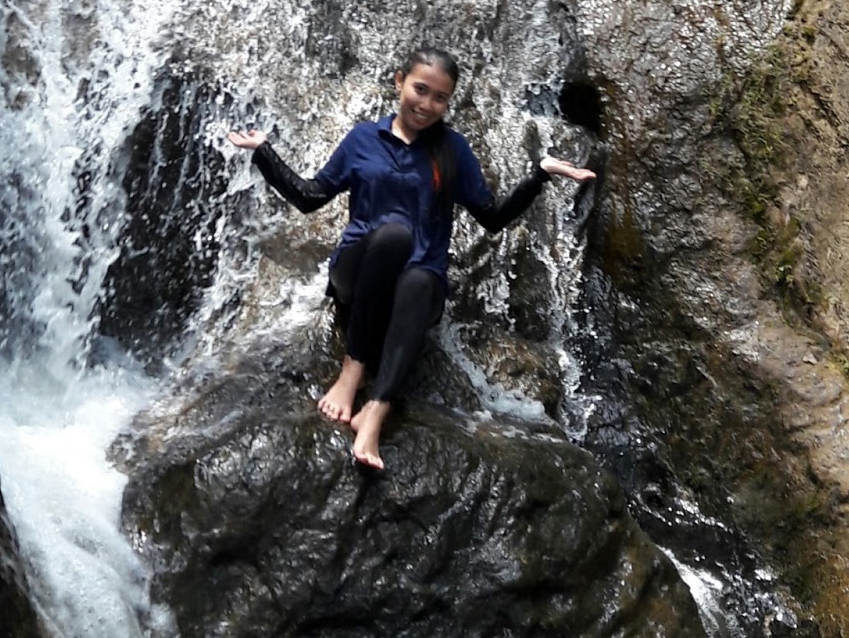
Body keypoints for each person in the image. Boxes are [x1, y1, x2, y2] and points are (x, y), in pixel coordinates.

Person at [227, 46, 596, 471]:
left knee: (422, 278)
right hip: (357, 272)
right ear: (399, 81)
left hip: (414, 290)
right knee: (394, 237)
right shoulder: (364, 138)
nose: (427, 104)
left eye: (440, 98)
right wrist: (263, 152)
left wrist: (540, 174)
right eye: (420, 90)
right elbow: (310, 197)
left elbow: (492, 217)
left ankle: (375, 411)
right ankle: (353, 369)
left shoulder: (452, 150)